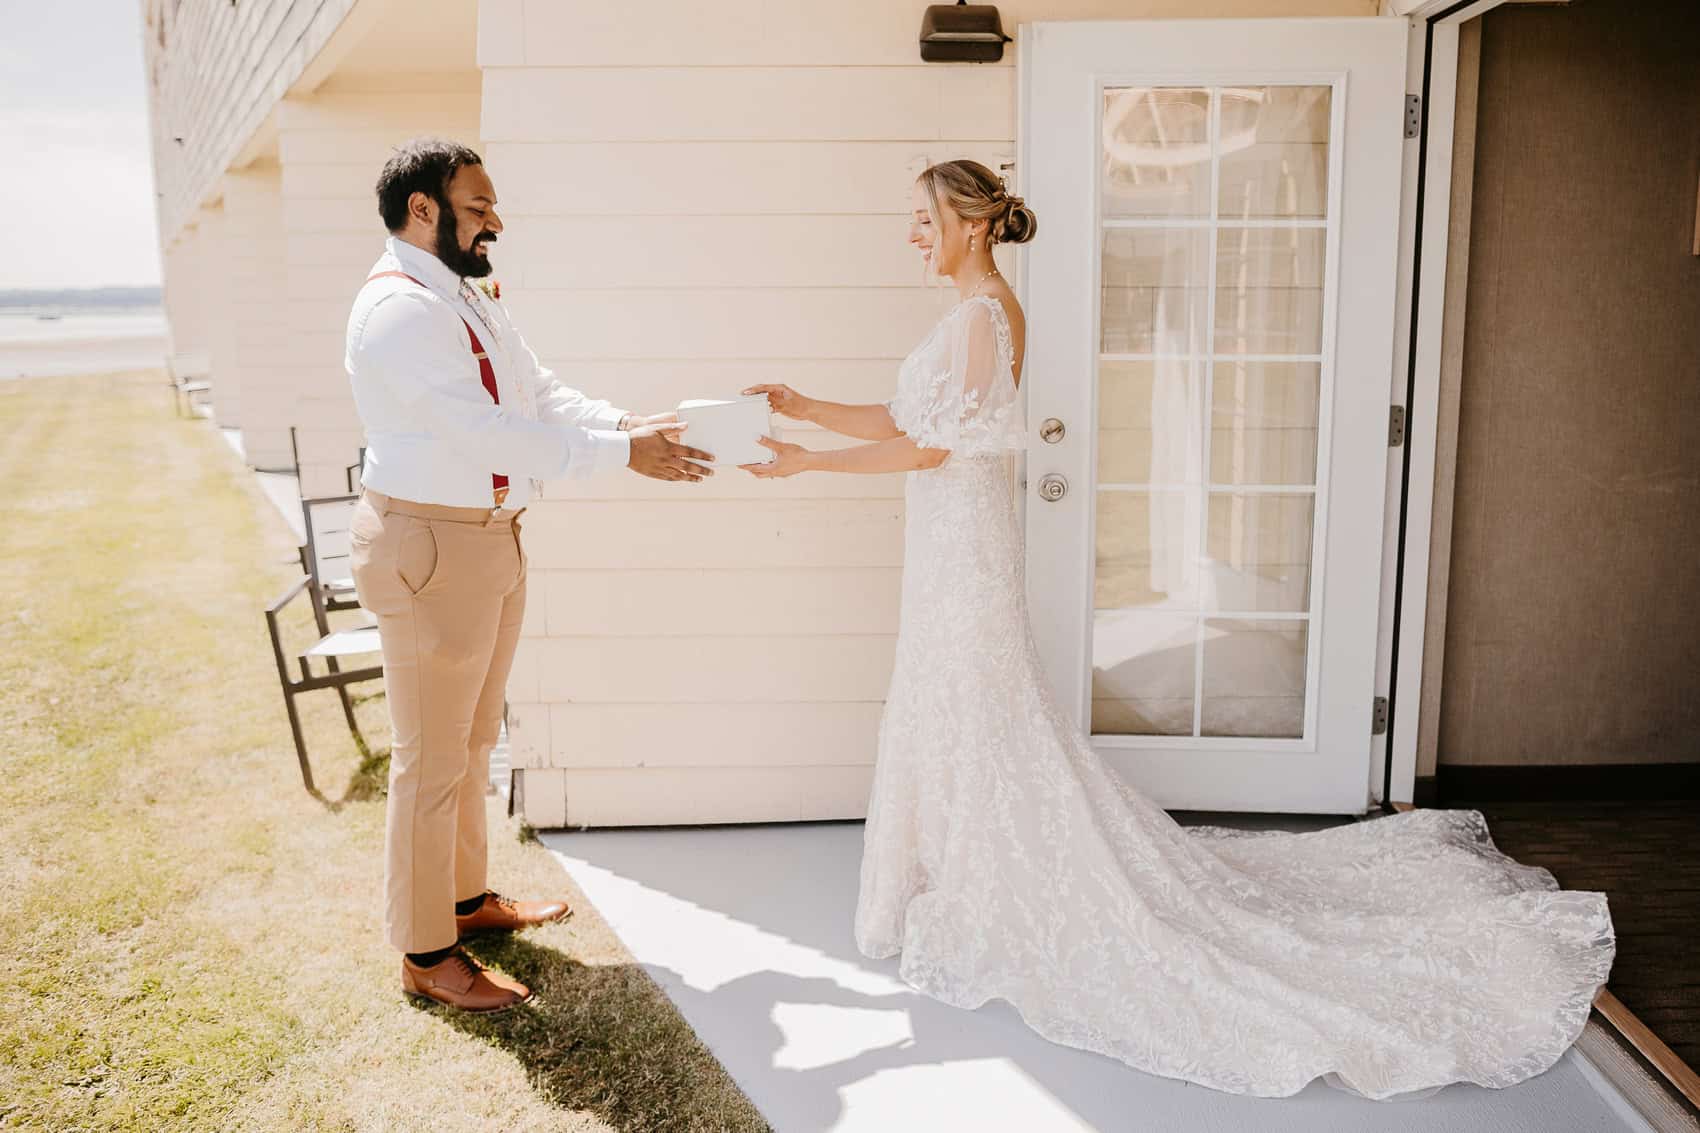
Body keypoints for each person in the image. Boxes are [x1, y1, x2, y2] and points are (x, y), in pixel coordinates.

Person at [740, 158, 1614, 1098]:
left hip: (965, 556)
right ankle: (958, 868)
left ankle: (997, 883)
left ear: (972, 224)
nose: (911, 232)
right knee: (957, 705)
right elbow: (907, 415)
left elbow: (930, 446)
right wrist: (805, 408)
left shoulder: (982, 317)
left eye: (922, 216)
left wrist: (805, 467)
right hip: (949, 546)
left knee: (978, 706)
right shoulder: (973, 317)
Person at [345, 138, 713, 1013]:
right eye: (478, 207)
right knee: (432, 756)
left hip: (489, 540)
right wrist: (626, 454)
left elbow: (535, 396)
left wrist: (626, 420)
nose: (495, 223)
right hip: (432, 544)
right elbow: (487, 435)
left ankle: (464, 901)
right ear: (422, 209)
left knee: (472, 742)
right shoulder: (400, 312)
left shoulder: (461, 293)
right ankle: (425, 952)